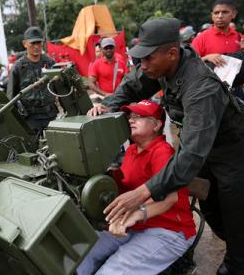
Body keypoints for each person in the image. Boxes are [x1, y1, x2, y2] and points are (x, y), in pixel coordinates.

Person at [88, 18, 244, 275]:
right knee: (213, 210)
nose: (143, 65)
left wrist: (142, 193)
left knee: (237, 218)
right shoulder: (161, 67)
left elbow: (191, 155)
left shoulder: (200, 86)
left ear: (172, 53)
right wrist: (109, 106)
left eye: (148, 59)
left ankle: (237, 264)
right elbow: (132, 85)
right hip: (207, 152)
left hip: (233, 155)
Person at [78, 100, 195, 275]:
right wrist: (100, 113)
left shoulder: (162, 151)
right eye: (130, 116)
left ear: (157, 125)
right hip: (136, 225)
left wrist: (136, 214)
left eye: (139, 116)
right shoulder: (133, 150)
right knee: (79, 258)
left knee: (112, 271)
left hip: (169, 229)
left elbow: (171, 198)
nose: (131, 120)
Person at [7, 26, 57, 133]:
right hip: (30, 119)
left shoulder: (50, 63)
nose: (36, 46)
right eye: (32, 43)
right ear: (25, 44)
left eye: (39, 43)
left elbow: (60, 88)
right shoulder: (18, 67)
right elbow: (11, 98)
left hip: (51, 115)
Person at [192, 0, 241, 66]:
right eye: (216, 13)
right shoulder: (200, 38)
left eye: (225, 12)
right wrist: (206, 58)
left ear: (233, 14)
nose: (220, 16)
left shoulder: (238, 36)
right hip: (210, 76)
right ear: (212, 16)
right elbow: (190, 64)